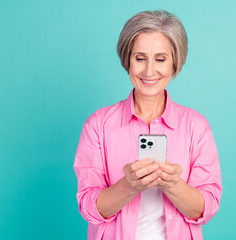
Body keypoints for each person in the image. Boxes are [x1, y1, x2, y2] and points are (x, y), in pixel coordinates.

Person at [74, 10, 222, 240]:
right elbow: (88, 207)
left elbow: (206, 208)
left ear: (175, 63)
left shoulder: (197, 127)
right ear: (127, 60)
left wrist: (172, 184)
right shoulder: (98, 126)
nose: (149, 71)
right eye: (140, 58)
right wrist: (129, 185)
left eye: (160, 59)